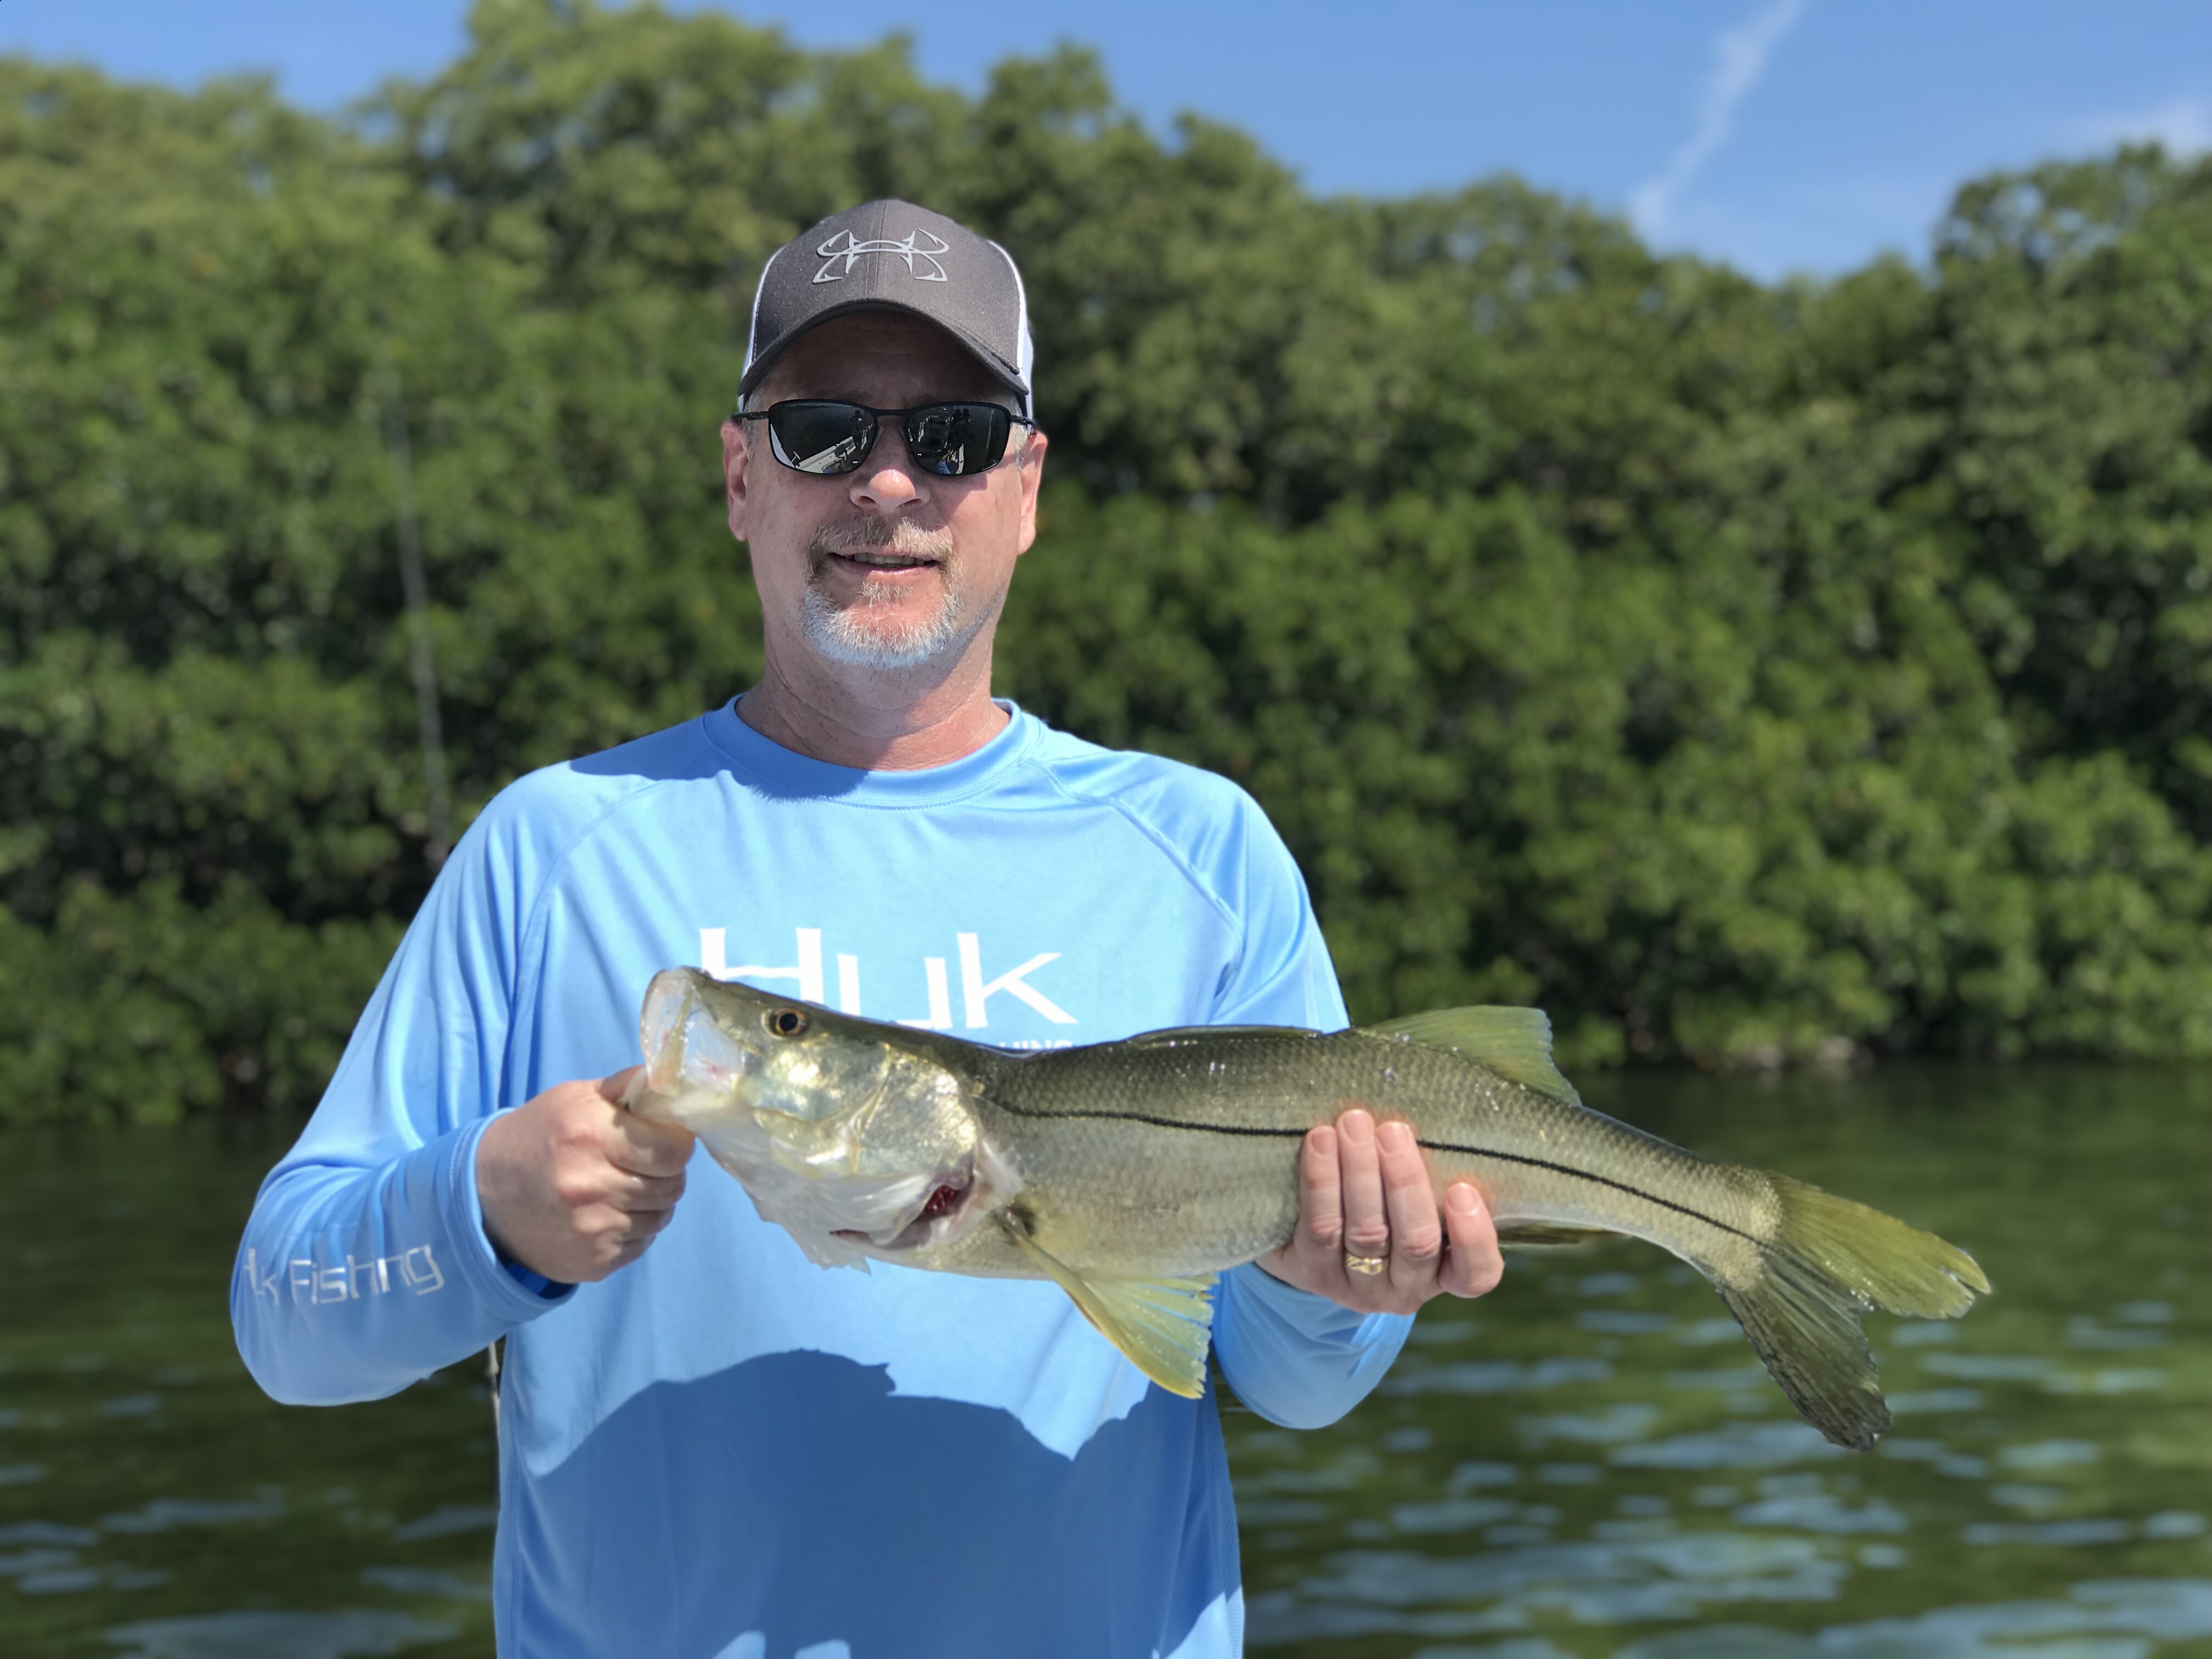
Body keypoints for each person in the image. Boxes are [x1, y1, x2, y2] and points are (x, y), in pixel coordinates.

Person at [234, 200, 1504, 1659]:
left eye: (954, 436)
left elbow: (1298, 1385)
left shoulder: (1202, 850)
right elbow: (285, 1320)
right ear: (738, 478)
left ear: (1026, 489)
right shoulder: (552, 844)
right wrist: (482, 1213)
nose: (888, 483)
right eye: (823, 429)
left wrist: (1338, 1282)